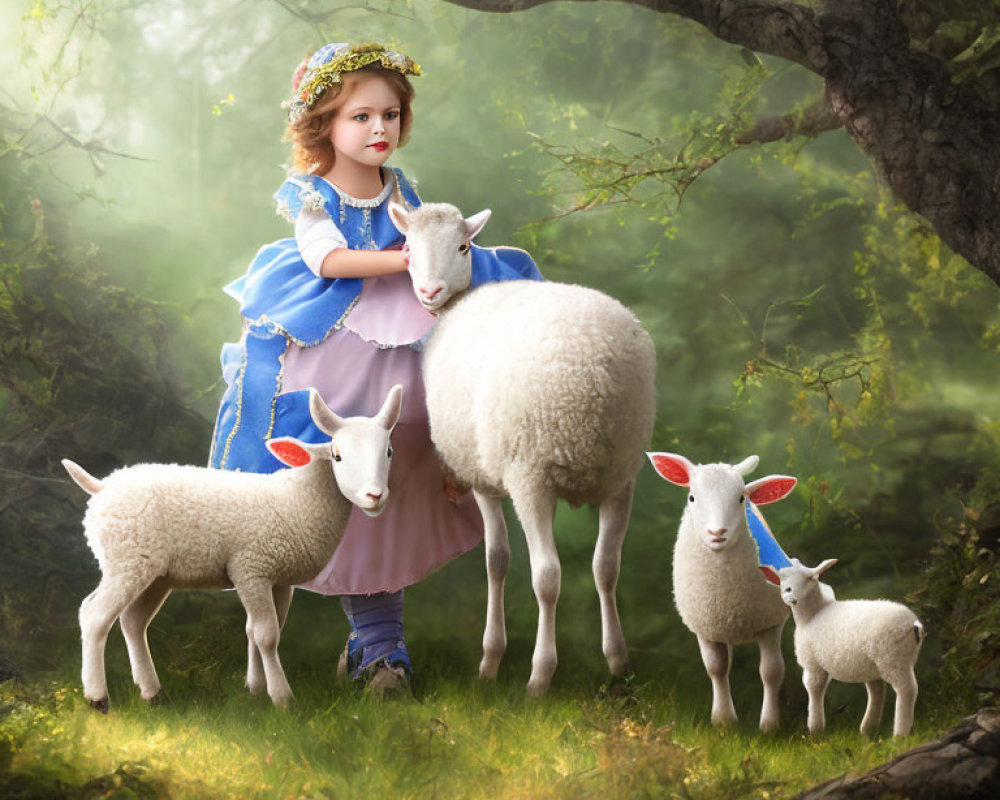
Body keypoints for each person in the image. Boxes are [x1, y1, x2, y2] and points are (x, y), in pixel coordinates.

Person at [209, 41, 542, 695]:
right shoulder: (311, 194)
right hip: (329, 332)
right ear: (323, 123)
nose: (380, 129)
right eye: (361, 117)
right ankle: (328, 648)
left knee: (403, 461)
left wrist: (438, 260)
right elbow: (326, 260)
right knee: (333, 471)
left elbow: (436, 241)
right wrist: (407, 261)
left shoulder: (403, 190)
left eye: (390, 115)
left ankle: (380, 644)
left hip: (404, 335)